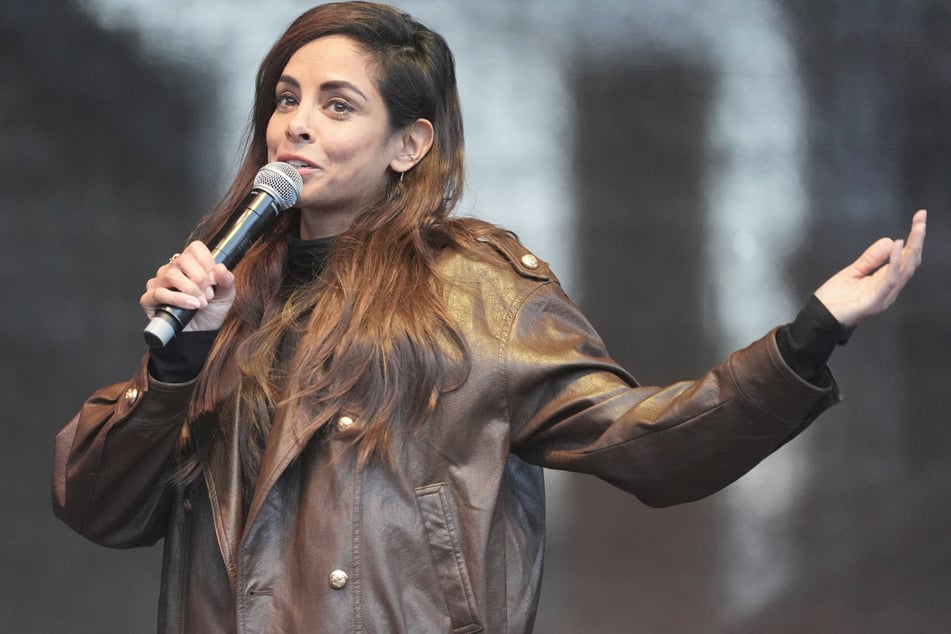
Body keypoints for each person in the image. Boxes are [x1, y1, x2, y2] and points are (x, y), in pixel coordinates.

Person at [51, 2, 926, 632]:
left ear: (409, 144)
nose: (296, 128)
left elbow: (651, 445)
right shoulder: (230, 298)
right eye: (285, 98)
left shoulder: (471, 290)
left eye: (336, 105)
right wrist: (173, 371)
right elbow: (98, 508)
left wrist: (810, 335)